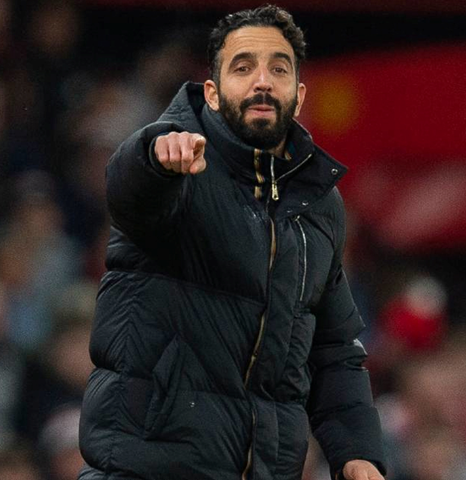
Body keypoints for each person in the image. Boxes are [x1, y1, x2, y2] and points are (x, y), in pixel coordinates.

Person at [78, 5, 387, 480]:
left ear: (299, 95)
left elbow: (333, 348)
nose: (262, 81)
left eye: (279, 69)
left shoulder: (320, 204)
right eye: (243, 68)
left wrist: (357, 451)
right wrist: (156, 158)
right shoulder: (177, 163)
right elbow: (130, 192)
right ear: (213, 93)